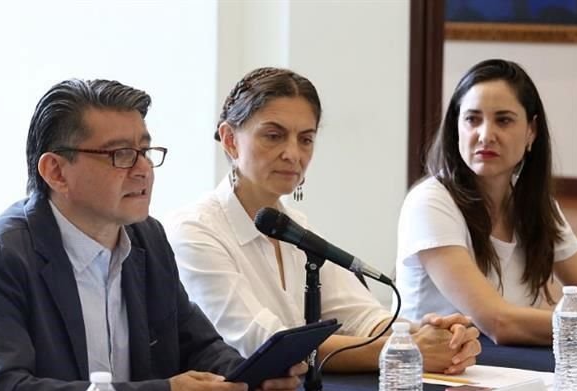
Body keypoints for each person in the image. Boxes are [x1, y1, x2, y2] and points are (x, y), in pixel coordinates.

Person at [0, 78, 306, 391]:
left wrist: (251, 383)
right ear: (56, 171)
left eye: (146, 151)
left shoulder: (147, 238)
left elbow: (197, 345)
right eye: (120, 154)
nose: (143, 169)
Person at [166, 67, 481, 373]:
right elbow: (265, 345)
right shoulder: (195, 231)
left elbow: (361, 317)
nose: (293, 154)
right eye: (274, 136)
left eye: (305, 139)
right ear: (230, 139)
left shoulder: (296, 227)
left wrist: (430, 335)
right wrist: (406, 350)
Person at [397, 58, 577, 345]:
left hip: (510, 373)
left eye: (503, 120)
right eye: (472, 119)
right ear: (456, 126)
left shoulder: (537, 205)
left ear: (531, 131)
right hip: (438, 377)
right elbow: (497, 321)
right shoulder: (430, 202)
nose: (485, 135)